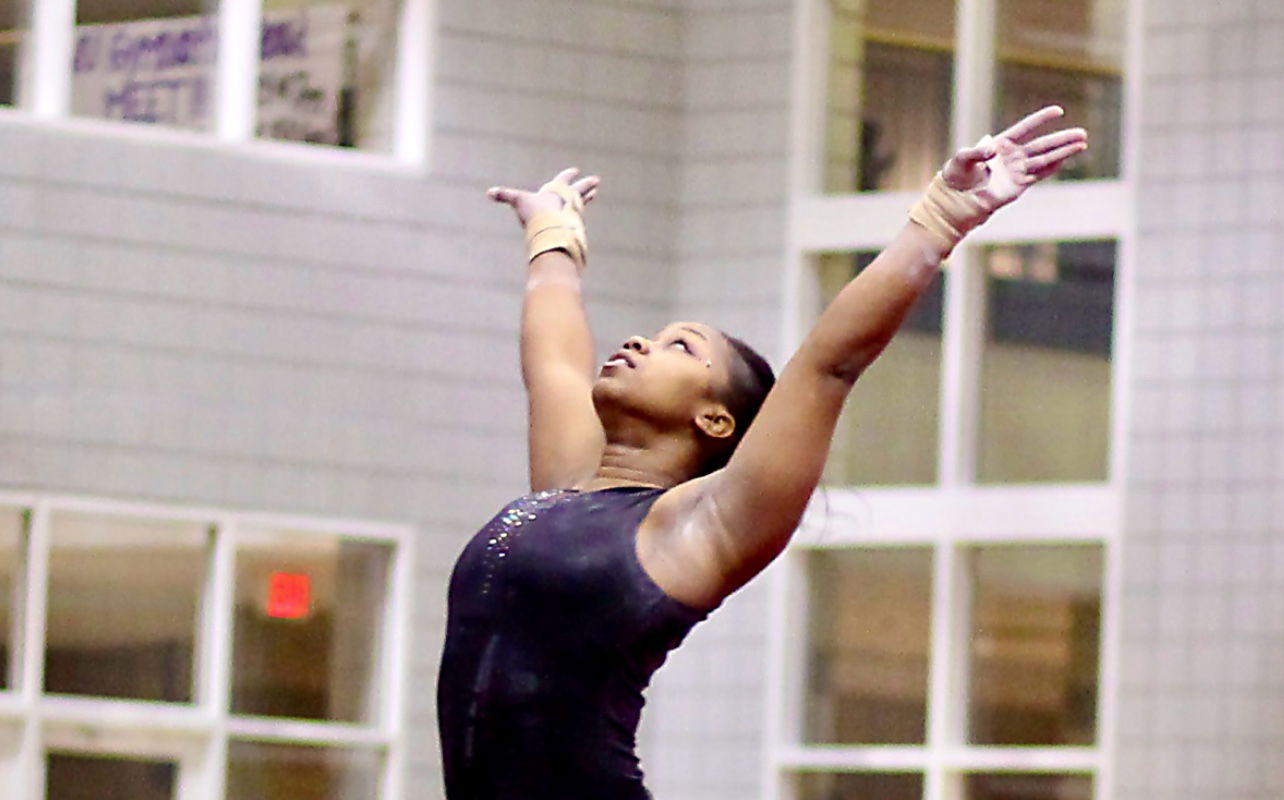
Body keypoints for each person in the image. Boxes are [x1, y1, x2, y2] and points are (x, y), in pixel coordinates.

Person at [437, 106, 1087, 799]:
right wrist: (553, 233)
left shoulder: (696, 528)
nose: (638, 344)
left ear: (716, 420)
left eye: (679, 348)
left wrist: (943, 217)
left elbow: (829, 365)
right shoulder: (566, 486)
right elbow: (557, 367)